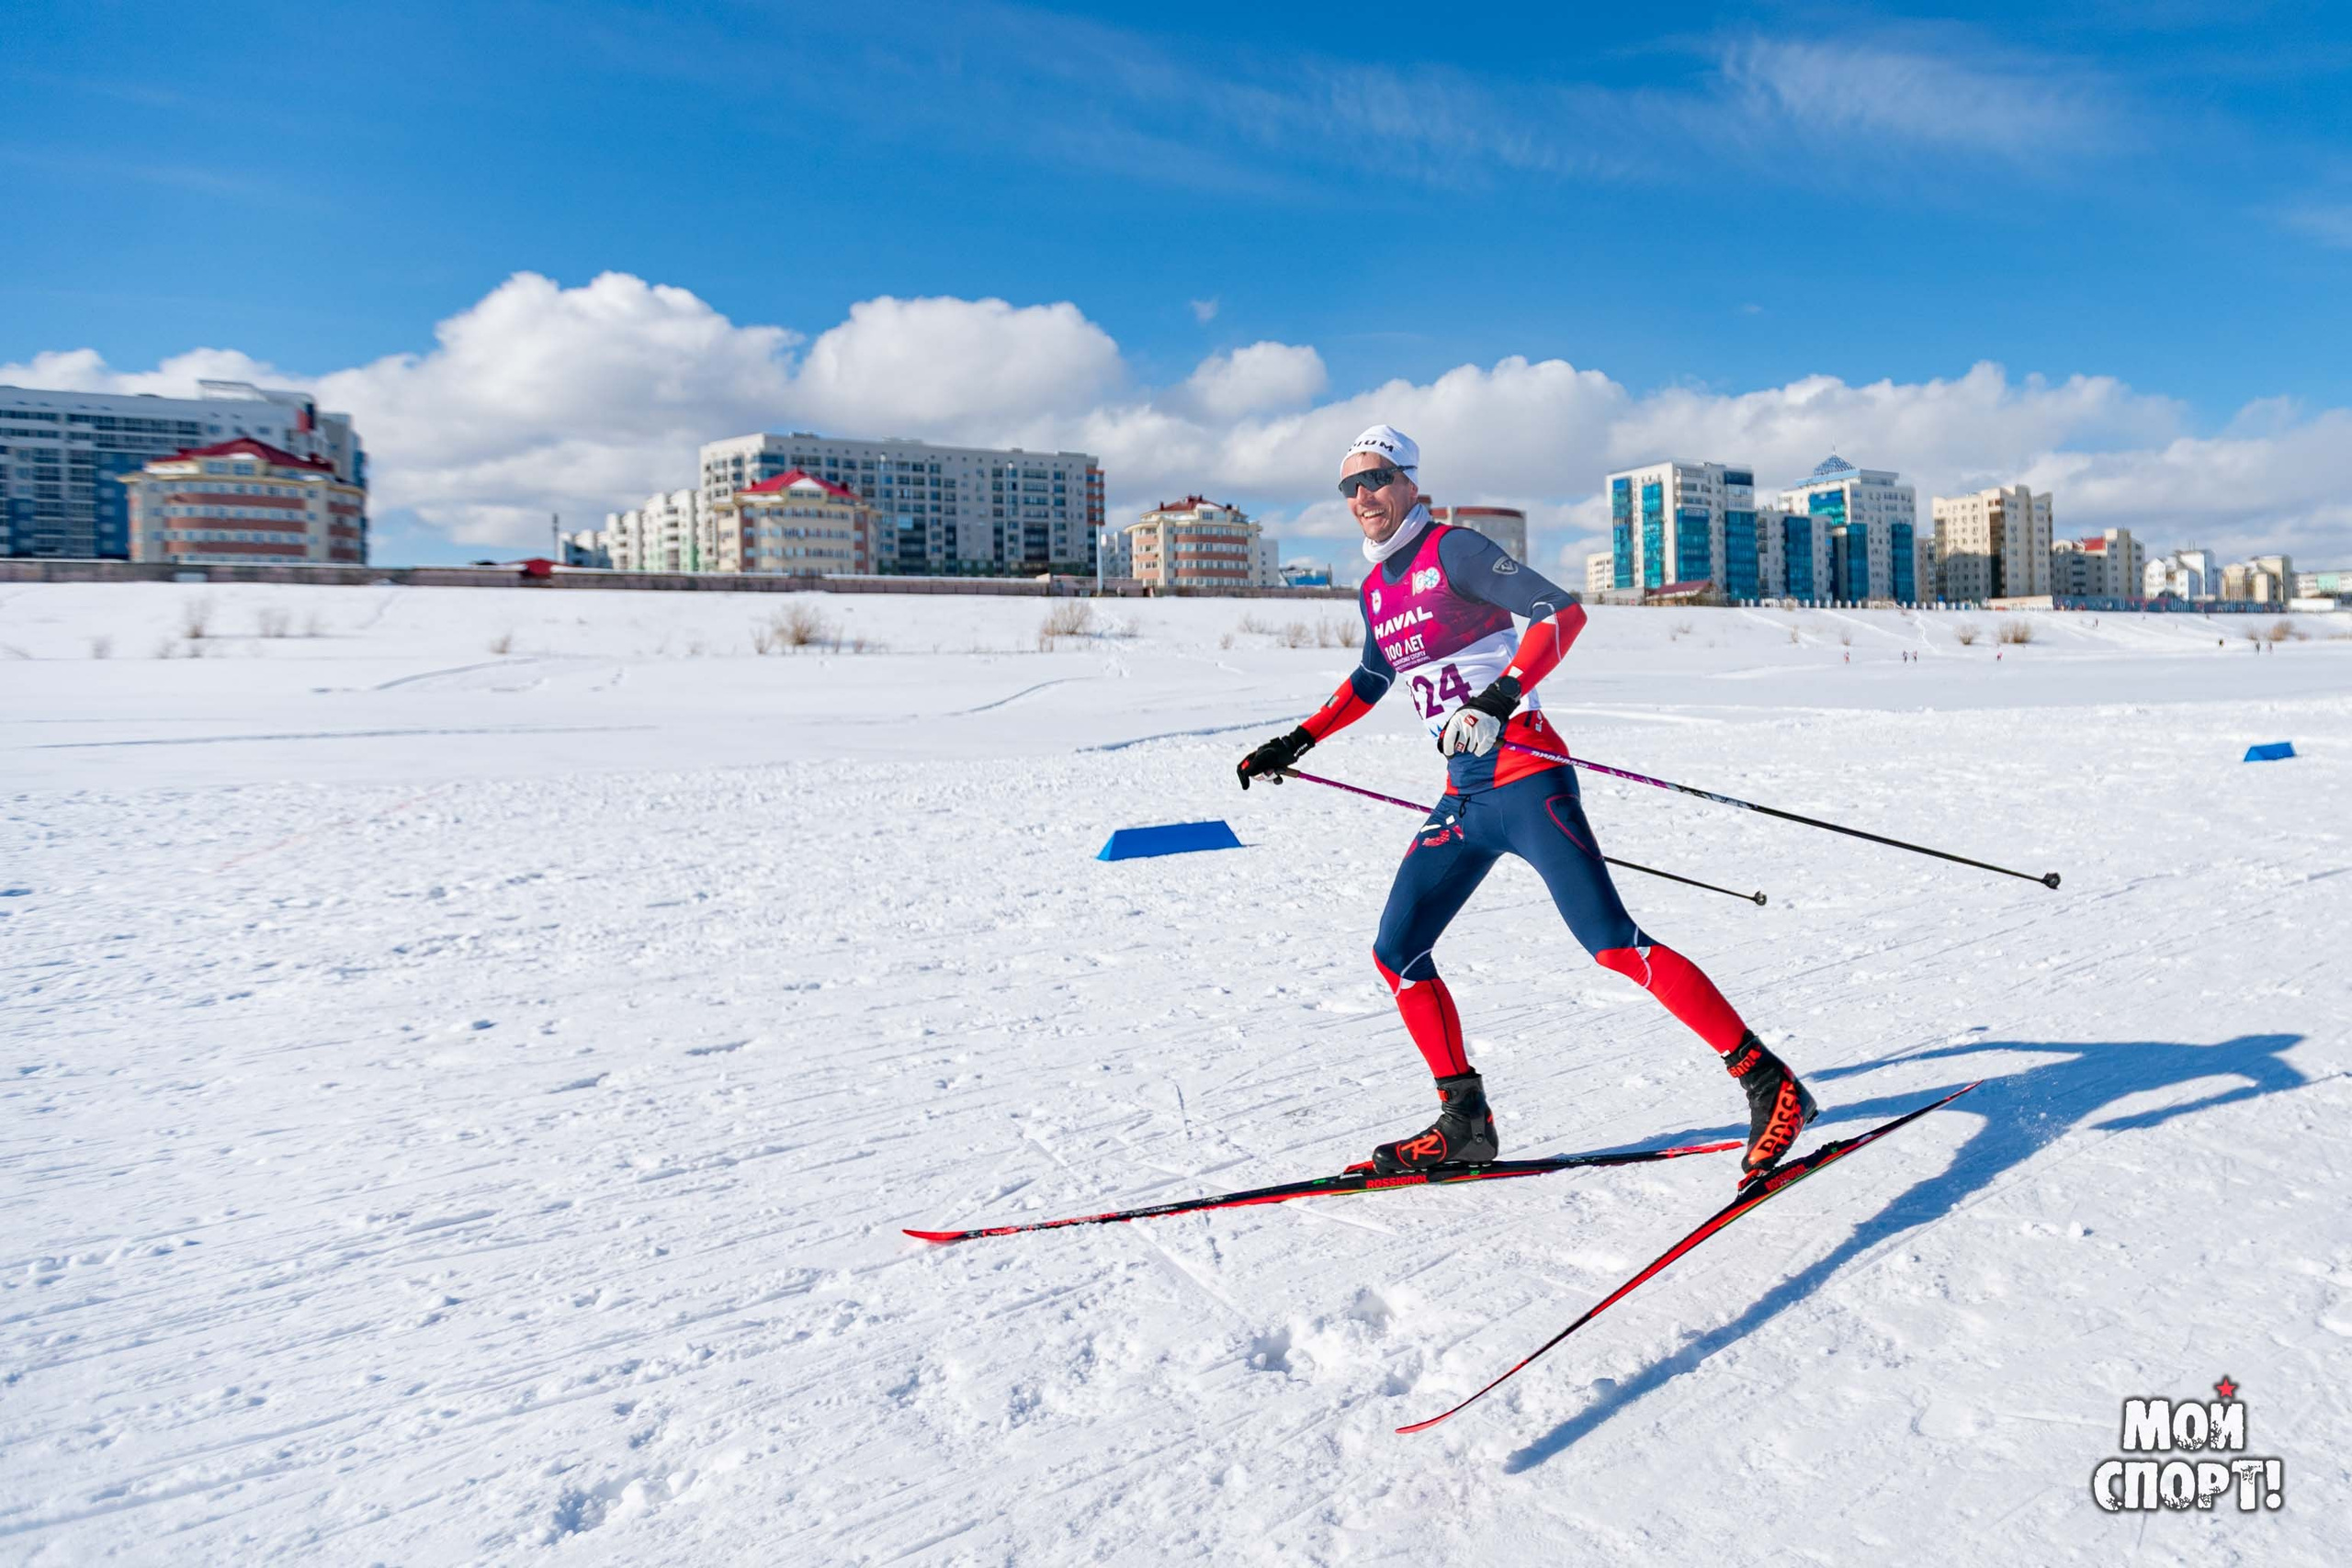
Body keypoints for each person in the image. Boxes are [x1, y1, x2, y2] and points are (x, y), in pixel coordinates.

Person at [1236, 425, 1815, 1185]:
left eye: (1376, 478)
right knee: (1397, 949)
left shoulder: (1457, 551)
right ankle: (1464, 1122)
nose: (1363, 497)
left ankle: (1771, 1084)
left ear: (1410, 482)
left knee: (1611, 942)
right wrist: (1297, 739)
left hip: (1529, 773)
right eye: (1349, 486)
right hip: (1464, 797)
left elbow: (1560, 612)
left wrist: (1500, 696)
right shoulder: (1376, 588)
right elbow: (1373, 678)